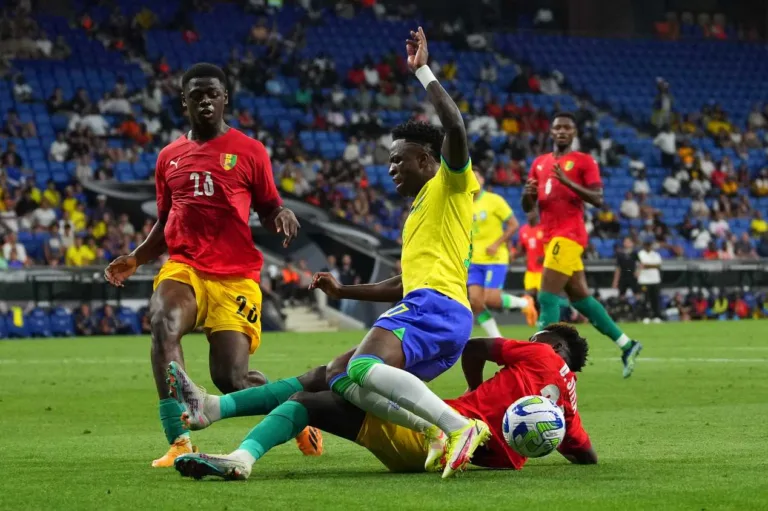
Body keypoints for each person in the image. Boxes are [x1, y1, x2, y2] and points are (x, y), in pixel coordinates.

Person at [178, 28, 488, 479]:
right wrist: (344, 289)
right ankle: (222, 424)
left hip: (435, 307)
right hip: (433, 309)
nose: (390, 168)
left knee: (359, 366)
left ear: (427, 159)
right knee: (339, 374)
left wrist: (421, 70)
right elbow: (401, 284)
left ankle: (454, 427)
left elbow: (455, 128)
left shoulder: (451, 184)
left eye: (398, 160)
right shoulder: (423, 214)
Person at [103, 62, 321, 468]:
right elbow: (166, 220)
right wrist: (137, 257)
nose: (204, 100)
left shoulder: (250, 151)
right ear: (184, 101)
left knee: (232, 380)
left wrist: (283, 214)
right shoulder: (168, 156)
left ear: (225, 99)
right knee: (163, 323)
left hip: (236, 276)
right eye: (196, 94)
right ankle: (179, 439)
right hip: (185, 266)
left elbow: (270, 205)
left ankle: (297, 413)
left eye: (212, 93)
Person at [168, 323, 597, 480]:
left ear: (555, 347)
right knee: (322, 384)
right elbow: (587, 456)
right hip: (444, 455)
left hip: (425, 436)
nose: (529, 343)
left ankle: (237, 450)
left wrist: (471, 391)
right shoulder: (567, 411)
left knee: (325, 384)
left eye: (537, 340)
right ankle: (218, 416)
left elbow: (477, 346)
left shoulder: (542, 353)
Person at [523, 112, 642, 378]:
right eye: (557, 127)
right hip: (549, 236)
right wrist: (526, 198)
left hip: (570, 235)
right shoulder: (540, 164)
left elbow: (598, 198)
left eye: (567, 128)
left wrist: (567, 182)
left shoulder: (584, 161)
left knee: (546, 296)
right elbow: (530, 213)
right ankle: (627, 344)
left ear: (574, 133)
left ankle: (543, 361)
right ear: (551, 132)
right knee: (581, 299)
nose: (562, 131)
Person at [469, 169, 536, 334]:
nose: (474, 180)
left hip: (495, 258)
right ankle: (497, 339)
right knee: (475, 302)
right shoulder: (463, 204)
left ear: (483, 180)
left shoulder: (494, 200)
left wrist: (496, 244)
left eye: (476, 177)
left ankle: (525, 304)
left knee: (491, 299)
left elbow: (513, 224)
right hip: (474, 261)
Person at [516, 210, 545, 303]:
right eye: (528, 212)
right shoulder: (523, 230)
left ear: (537, 213)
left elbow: (551, 246)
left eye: (532, 212)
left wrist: (545, 256)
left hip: (543, 270)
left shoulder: (543, 229)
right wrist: (514, 255)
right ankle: (532, 317)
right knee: (528, 299)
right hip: (530, 270)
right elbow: (521, 249)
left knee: (542, 298)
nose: (530, 214)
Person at [637, 241, 663, 323]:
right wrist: (652, 265)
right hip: (644, 280)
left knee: (655, 299)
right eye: (647, 245)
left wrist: (648, 265)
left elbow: (659, 265)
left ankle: (656, 316)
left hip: (655, 280)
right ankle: (645, 316)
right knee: (645, 299)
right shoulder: (640, 254)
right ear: (644, 245)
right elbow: (643, 264)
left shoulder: (656, 254)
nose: (648, 246)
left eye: (649, 245)